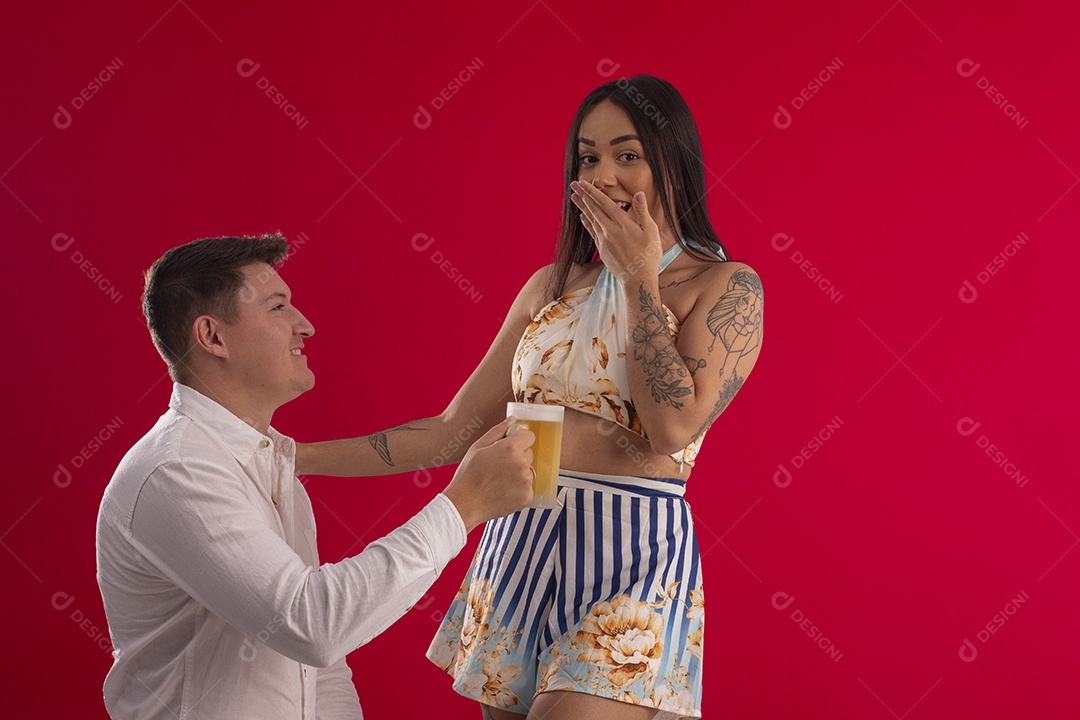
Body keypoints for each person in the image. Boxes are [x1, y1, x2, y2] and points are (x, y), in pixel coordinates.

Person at [298, 74, 764, 719]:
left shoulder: (725, 286)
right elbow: (449, 429)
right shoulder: (550, 285)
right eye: (588, 156)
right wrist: (287, 455)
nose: (603, 174)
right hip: (517, 541)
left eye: (628, 156)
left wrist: (637, 277)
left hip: (630, 554)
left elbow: (673, 427)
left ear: (673, 164)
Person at [95, 234, 536, 719]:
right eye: (278, 307)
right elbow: (313, 624)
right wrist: (465, 503)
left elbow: (318, 671)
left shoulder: (268, 467)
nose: (304, 325)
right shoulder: (176, 472)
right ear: (213, 337)